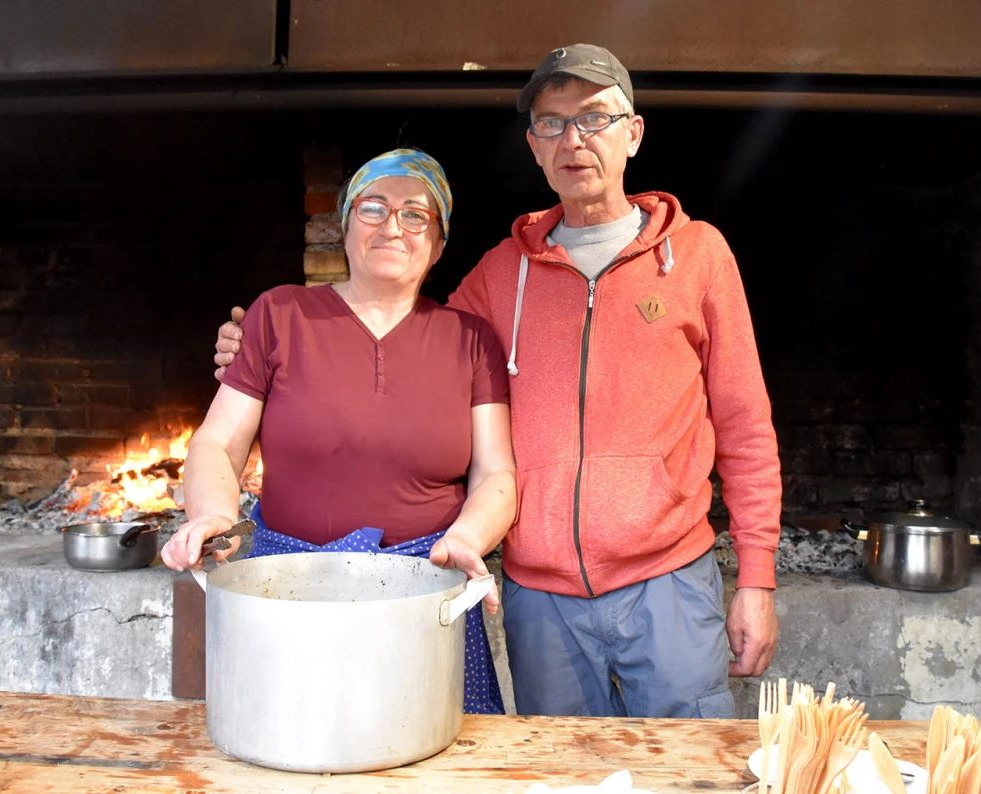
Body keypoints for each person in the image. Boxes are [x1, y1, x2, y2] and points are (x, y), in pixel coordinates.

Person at [215, 45, 781, 719]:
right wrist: (264, 351)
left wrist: (757, 578)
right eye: (552, 123)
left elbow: (746, 425)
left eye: (594, 118)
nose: (574, 139)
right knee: (556, 767)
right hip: (540, 600)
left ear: (633, 133)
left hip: (669, 583)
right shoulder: (499, 273)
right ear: (534, 146)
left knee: (685, 764)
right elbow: (401, 344)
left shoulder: (698, 256)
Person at [165, 149, 517, 715]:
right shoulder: (279, 314)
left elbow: (496, 472)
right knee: (294, 742)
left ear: (438, 243)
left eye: (415, 214)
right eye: (373, 208)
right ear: (345, 226)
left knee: (431, 747)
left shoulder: (471, 340)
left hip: (425, 592)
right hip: (290, 588)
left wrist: (468, 539)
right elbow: (217, 442)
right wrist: (212, 515)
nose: (392, 227)